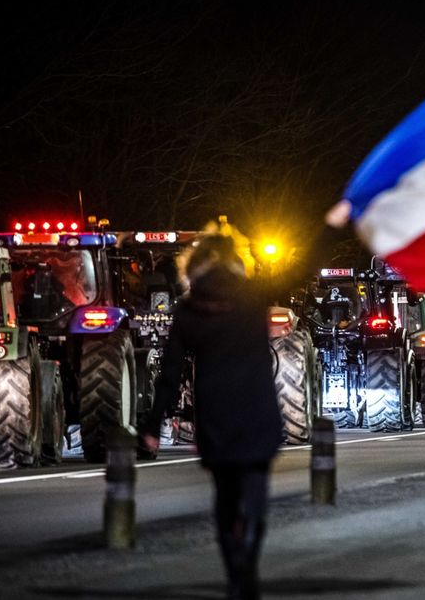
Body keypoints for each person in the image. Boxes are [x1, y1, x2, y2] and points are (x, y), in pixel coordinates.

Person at [141, 233, 283, 600]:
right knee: (254, 499)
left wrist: (154, 424)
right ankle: (247, 566)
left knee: (224, 500)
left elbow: (170, 373)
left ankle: (235, 571)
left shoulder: (188, 311)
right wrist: (333, 223)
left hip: (216, 418)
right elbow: (297, 266)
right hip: (257, 414)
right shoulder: (254, 298)